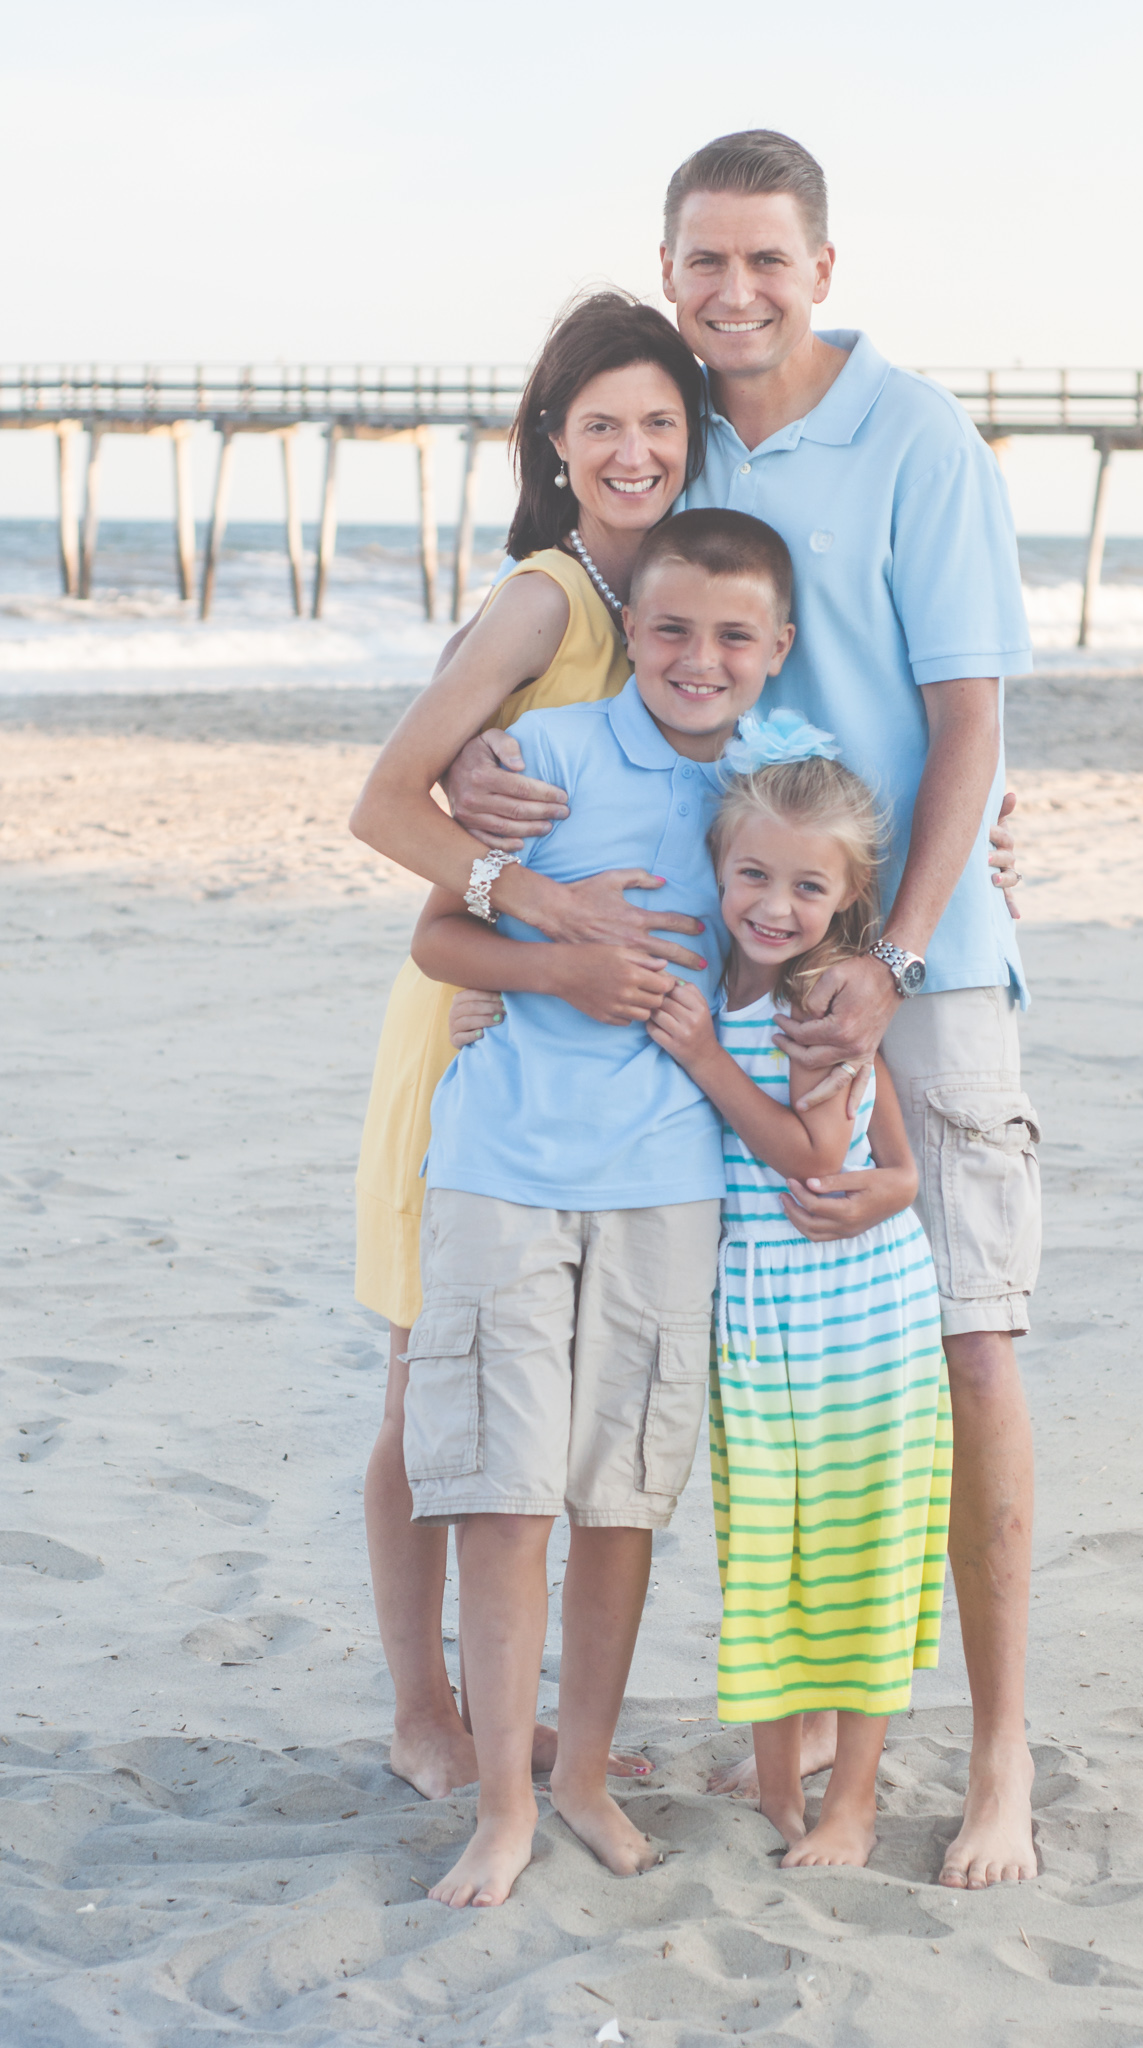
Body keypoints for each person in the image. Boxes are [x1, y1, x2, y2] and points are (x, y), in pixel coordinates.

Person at [445, 130, 1041, 1890]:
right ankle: (782, 1743)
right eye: (705, 260)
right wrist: (495, 761)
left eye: (766, 260)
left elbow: (969, 720)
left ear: (823, 268)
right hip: (738, 943)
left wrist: (900, 946)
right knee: (757, 1360)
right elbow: (613, 619)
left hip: (915, 942)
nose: (734, 291)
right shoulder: (680, 432)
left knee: (977, 1336)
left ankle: (995, 1758)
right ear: (672, 263)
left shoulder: (916, 436)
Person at [394, 509, 801, 1908]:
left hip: (668, 1184)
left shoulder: (772, 794)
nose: (699, 658)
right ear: (633, 630)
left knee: (620, 1494)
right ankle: (505, 1801)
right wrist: (561, 958)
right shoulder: (545, 761)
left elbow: (836, 905)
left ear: (775, 653)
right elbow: (439, 937)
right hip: (504, 1168)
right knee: (504, 1499)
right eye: (673, 628)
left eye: (732, 637)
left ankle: (582, 1774)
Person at [348, 290, 712, 1798]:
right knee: (427, 1373)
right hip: (479, 1018)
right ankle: (422, 1711)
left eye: (659, 425)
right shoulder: (546, 600)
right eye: (601, 425)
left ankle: (537, 1721)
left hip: (603, 1052)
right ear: (554, 446)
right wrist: (531, 899)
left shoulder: (683, 600)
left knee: (547, 1392)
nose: (632, 451)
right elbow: (384, 803)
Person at [643, 717, 950, 1867]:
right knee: (763, 1553)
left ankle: (853, 1801)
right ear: (717, 865)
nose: (773, 903)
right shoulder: (711, 978)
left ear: (850, 893)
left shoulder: (819, 1001)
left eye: (805, 885)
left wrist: (711, 1063)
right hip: (761, 1325)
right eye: (753, 874)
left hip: (862, 1323)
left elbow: (818, 1156)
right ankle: (779, 1789)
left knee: (861, 1554)